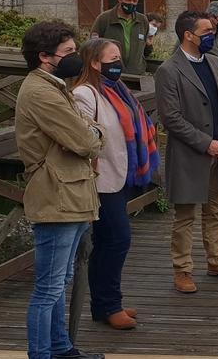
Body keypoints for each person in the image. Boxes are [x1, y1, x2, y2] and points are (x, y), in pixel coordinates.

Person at [17, 21, 107, 359]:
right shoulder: (40, 92)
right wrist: (94, 133)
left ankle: (60, 348)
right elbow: (85, 139)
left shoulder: (55, 85)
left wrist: (91, 132)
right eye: (68, 52)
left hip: (72, 194)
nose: (75, 58)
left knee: (61, 280)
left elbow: (86, 133)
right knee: (49, 287)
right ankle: (42, 354)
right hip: (57, 197)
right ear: (44, 56)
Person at [71, 38, 160, 330]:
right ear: (95, 63)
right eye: (113, 58)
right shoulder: (85, 93)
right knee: (116, 239)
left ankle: (105, 303)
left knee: (108, 241)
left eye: (119, 57)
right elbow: (86, 136)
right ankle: (109, 304)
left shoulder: (118, 90)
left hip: (121, 175)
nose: (118, 63)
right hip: (102, 179)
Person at [154, 10, 218, 293]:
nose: (212, 35)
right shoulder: (168, 70)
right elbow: (171, 118)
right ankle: (182, 269)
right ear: (188, 35)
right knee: (184, 216)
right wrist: (206, 143)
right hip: (191, 154)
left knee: (216, 211)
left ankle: (216, 260)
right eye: (206, 32)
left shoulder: (216, 63)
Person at [91, 0, 151, 75]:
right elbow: (93, 45)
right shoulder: (104, 19)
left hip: (136, 72)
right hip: (111, 72)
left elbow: (145, 45)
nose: (131, 3)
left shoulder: (142, 20)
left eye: (134, 1)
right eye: (128, 0)